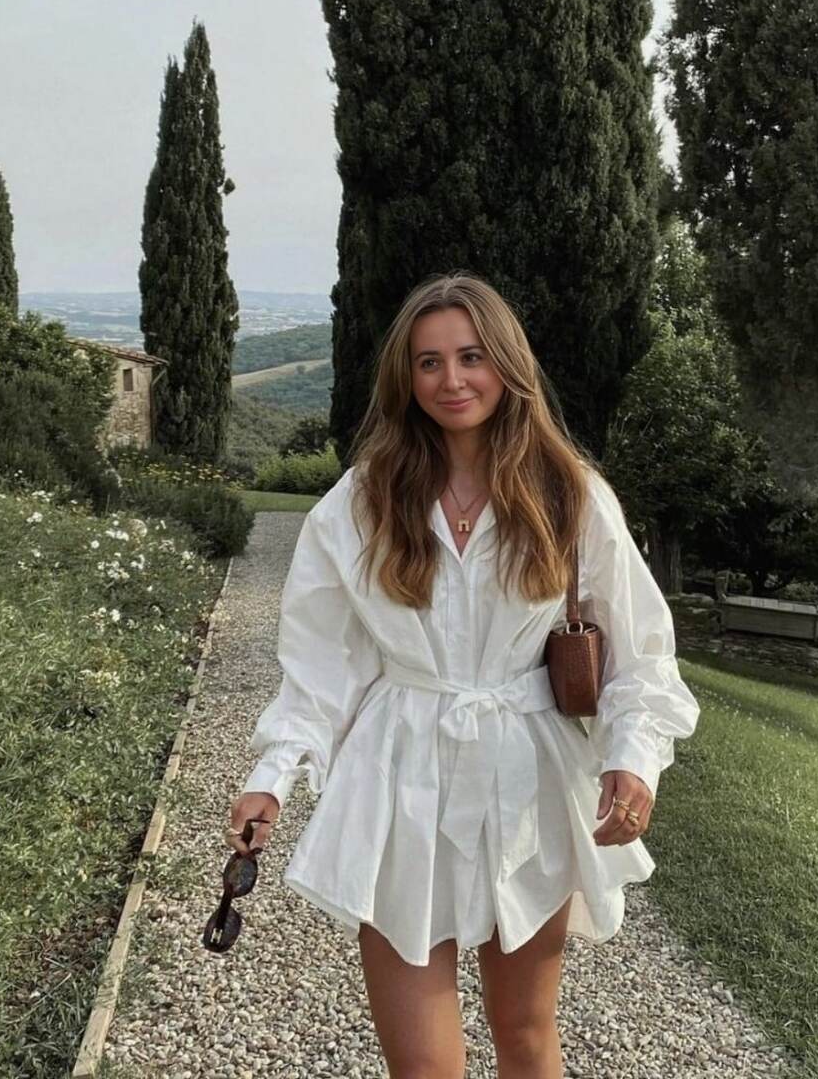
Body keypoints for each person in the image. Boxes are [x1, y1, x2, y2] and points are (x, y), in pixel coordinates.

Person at [228, 271, 700, 1079]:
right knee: (421, 1067)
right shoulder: (363, 501)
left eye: (472, 356)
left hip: (528, 777)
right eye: (430, 362)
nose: (452, 379)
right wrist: (273, 776)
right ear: (406, 378)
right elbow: (320, 662)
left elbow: (641, 647)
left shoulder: (569, 494)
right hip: (397, 779)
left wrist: (633, 758)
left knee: (526, 1035)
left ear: (506, 364)